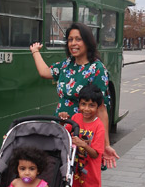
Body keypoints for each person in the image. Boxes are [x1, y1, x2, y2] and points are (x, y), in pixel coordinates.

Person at [30, 22, 120, 168]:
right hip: (61, 127)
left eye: (78, 39)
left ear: (87, 42)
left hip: (82, 132)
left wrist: (105, 145)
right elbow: (45, 72)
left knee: (80, 173)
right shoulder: (67, 64)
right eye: (70, 40)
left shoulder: (96, 69)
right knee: (58, 172)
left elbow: (101, 109)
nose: (73, 43)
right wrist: (35, 52)